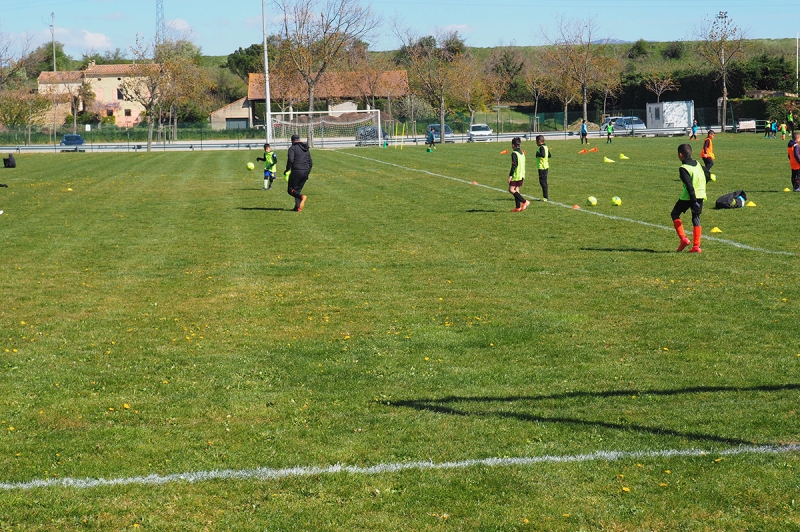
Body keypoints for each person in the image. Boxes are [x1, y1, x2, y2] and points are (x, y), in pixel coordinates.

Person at [671, 143, 706, 254]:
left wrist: (693, 200)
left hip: (690, 196)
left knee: (675, 213)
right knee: (696, 217)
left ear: (680, 155)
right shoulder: (698, 164)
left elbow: (689, 185)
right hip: (701, 194)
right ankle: (696, 246)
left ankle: (683, 239)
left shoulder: (683, 168)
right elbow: (707, 174)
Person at [285, 134, 312, 212]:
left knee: (290, 190)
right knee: (297, 190)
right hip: (306, 171)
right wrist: (307, 172)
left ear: (292, 141)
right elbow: (310, 163)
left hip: (297, 170)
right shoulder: (305, 148)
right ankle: (297, 207)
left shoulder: (292, 148)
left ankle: (302, 197)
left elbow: (290, 160)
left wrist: (287, 169)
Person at [507, 137, 529, 212]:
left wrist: (510, 176)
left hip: (516, 174)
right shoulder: (522, 153)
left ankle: (524, 201)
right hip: (522, 174)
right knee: (517, 190)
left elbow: (514, 165)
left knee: (511, 190)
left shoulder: (514, 153)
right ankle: (517, 207)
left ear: (513, 145)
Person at [534, 134, 551, 202]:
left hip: (542, 167)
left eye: (536, 141)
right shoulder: (546, 147)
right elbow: (549, 155)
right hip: (546, 166)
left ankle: (545, 197)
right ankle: (546, 197)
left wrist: (537, 154)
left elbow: (543, 155)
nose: (536, 143)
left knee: (542, 182)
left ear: (539, 141)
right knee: (544, 182)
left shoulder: (541, 147)